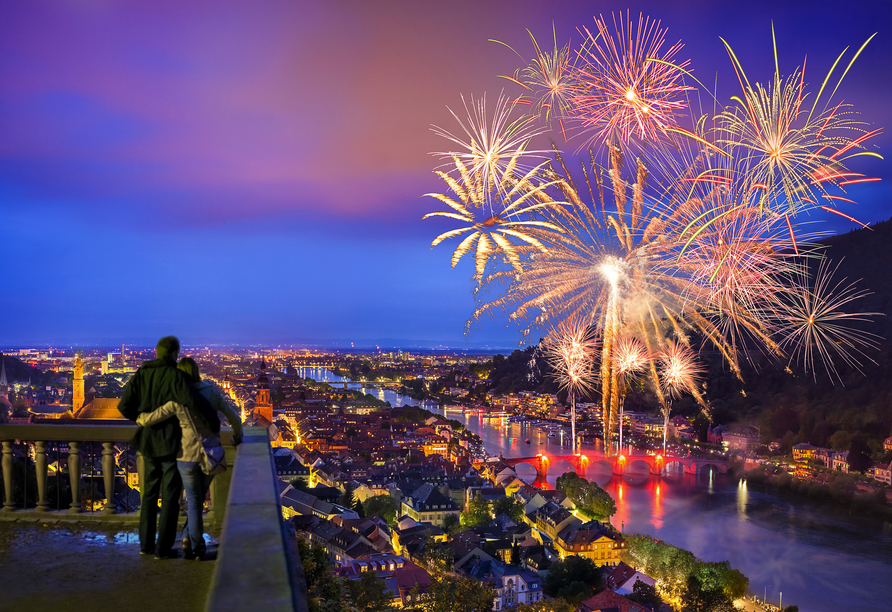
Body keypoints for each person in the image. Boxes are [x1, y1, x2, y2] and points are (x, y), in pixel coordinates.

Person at [137, 357, 242, 560]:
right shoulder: (211, 392)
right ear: (196, 371)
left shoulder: (178, 397)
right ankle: (193, 543)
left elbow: (151, 418)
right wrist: (237, 438)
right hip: (211, 455)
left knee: (194, 502)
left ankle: (193, 543)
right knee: (198, 499)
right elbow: (235, 419)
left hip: (185, 456)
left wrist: (139, 417)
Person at [118, 335, 206, 559]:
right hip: (171, 442)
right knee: (170, 497)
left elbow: (124, 406)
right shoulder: (176, 376)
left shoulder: (142, 373)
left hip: (147, 443)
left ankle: (145, 545)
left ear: (157, 352)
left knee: (147, 495)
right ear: (175, 354)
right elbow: (193, 405)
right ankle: (163, 548)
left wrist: (141, 419)